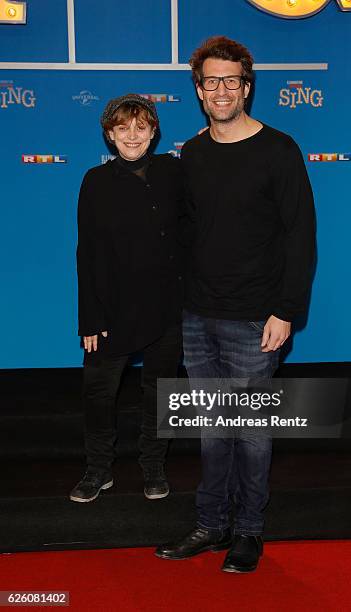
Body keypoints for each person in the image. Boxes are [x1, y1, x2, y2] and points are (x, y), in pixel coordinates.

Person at [155, 36, 316, 572]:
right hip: (198, 316)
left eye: (231, 81)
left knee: (250, 435)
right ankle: (210, 524)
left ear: (247, 87)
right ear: (199, 91)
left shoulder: (279, 149)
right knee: (212, 431)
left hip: (256, 319)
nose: (221, 90)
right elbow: (185, 233)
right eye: (210, 82)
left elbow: (300, 236)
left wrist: (286, 309)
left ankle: (249, 531)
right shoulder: (194, 152)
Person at [70, 94, 184, 503]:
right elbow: (87, 253)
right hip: (111, 312)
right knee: (99, 396)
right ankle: (98, 470)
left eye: (140, 127)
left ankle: (153, 467)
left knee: (160, 392)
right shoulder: (95, 182)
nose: (132, 136)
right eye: (123, 128)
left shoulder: (174, 171)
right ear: (109, 135)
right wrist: (89, 317)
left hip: (167, 309)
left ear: (154, 132)